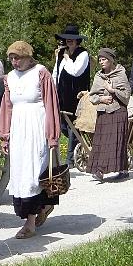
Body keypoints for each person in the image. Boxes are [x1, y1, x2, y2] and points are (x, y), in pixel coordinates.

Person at [0, 41, 61, 239]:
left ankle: (30, 222)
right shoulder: (9, 78)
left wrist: (52, 136)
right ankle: (40, 208)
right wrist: (5, 136)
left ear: (28, 57)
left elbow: (51, 104)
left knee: (35, 171)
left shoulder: (41, 73)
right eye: (11, 59)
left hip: (37, 127)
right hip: (18, 129)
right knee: (21, 172)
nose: (15, 62)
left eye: (18, 58)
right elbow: (6, 107)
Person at [88, 48, 131, 181]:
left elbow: (126, 96)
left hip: (118, 112)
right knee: (102, 142)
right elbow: (92, 96)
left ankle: (114, 169)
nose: (101, 62)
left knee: (115, 142)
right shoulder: (98, 77)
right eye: (100, 59)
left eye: (104, 59)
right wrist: (101, 99)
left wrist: (112, 90)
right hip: (103, 113)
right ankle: (102, 170)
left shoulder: (120, 74)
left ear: (111, 60)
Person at [53, 24, 91, 168]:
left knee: (73, 127)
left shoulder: (83, 54)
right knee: (63, 126)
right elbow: (56, 73)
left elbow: (75, 71)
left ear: (77, 41)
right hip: (62, 95)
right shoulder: (61, 54)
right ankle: (80, 147)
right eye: (67, 39)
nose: (69, 41)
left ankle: (70, 160)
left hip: (77, 97)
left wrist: (68, 58)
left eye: (72, 39)